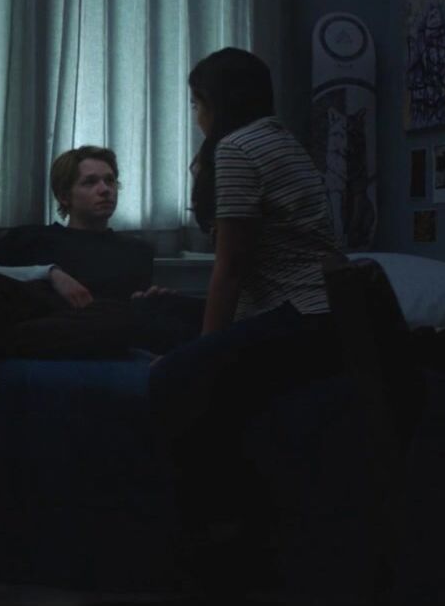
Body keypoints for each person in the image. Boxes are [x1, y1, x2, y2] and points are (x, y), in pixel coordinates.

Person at [0, 146, 202, 475]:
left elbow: (125, 313)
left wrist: (148, 301)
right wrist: (50, 273)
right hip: (27, 310)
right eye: (90, 182)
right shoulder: (30, 237)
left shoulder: (136, 251)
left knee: (126, 318)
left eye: (110, 180)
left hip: (86, 324)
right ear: (64, 195)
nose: (105, 189)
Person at [147, 47, 343, 594]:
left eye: (196, 103)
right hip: (308, 314)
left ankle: (215, 533)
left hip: (303, 318)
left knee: (172, 379)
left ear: (216, 102)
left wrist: (201, 354)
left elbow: (230, 268)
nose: (195, 115)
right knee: (154, 310)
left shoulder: (236, 148)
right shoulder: (282, 140)